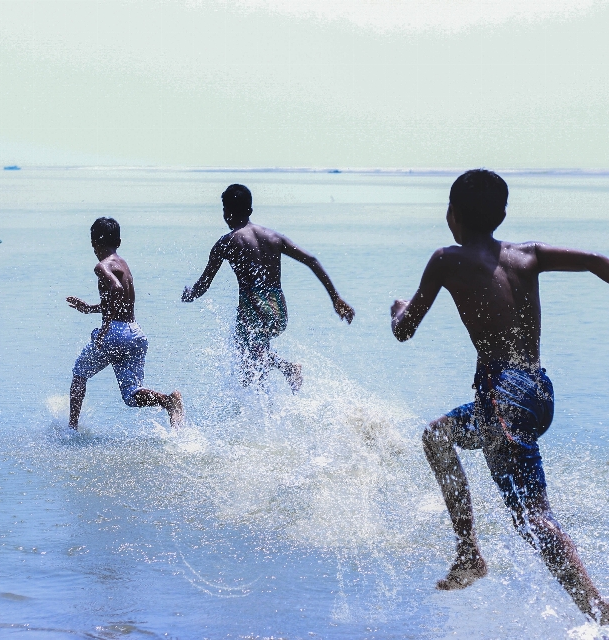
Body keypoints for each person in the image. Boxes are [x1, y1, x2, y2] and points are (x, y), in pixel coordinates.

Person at [391, 169, 609, 622]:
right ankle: (470, 554)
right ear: (503, 213)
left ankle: (599, 611)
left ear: (451, 215)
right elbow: (593, 259)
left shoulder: (446, 259)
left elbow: (405, 330)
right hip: (537, 392)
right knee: (439, 438)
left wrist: (396, 312)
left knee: (534, 518)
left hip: (503, 397)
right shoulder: (527, 254)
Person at [182, 184, 354, 386]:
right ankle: (273, 393)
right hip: (278, 310)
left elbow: (204, 283)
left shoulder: (226, 243)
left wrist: (190, 294)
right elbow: (311, 260)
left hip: (252, 309)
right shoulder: (273, 237)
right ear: (250, 211)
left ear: (226, 213)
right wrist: (335, 298)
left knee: (246, 360)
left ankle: (284, 372)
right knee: (255, 361)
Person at [67, 217, 184, 430]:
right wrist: (90, 308)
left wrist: (105, 327)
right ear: (119, 242)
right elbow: (119, 301)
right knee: (131, 395)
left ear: (93, 243)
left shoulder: (102, 266)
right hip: (134, 333)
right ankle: (168, 401)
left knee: (79, 372)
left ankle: (71, 428)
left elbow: (116, 289)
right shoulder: (123, 264)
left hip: (114, 333)